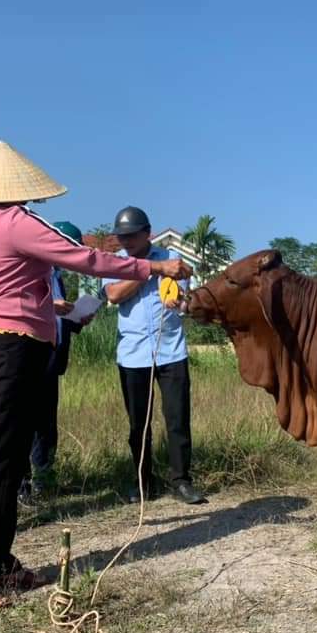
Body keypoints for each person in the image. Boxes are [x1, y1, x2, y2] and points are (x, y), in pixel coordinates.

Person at [0, 141, 191, 614]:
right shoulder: (16, 222)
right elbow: (87, 260)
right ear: (19, 192)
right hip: (14, 345)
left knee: (10, 459)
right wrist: (154, 265)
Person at [103, 206, 206, 506]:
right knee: (139, 424)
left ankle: (181, 481)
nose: (126, 241)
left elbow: (185, 299)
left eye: (132, 235)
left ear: (147, 232)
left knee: (177, 419)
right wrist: (149, 269)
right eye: (122, 236)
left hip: (170, 350)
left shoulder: (173, 261)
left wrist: (182, 303)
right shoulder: (113, 262)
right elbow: (113, 295)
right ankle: (142, 482)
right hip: (133, 354)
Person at [18, 220, 91, 505]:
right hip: (32, 357)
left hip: (52, 359)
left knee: (46, 424)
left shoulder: (56, 274)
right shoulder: (33, 270)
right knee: (26, 423)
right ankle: (22, 485)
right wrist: (53, 307)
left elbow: (57, 321)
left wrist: (76, 320)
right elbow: (22, 307)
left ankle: (44, 480)